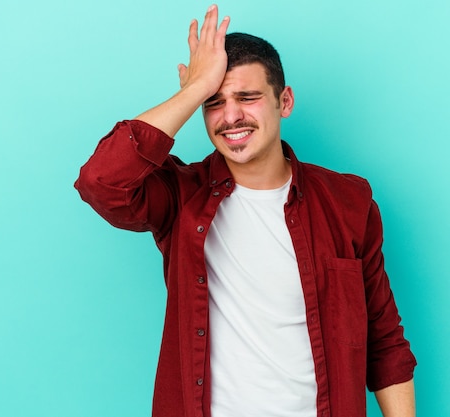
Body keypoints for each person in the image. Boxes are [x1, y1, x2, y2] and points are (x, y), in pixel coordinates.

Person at [75, 4, 416, 417]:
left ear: (284, 101)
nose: (231, 116)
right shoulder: (181, 197)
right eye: (214, 103)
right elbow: (101, 182)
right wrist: (192, 91)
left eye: (247, 97)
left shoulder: (347, 201)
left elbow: (384, 341)